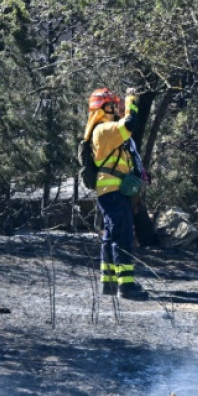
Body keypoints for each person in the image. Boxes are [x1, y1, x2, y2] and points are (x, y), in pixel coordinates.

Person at [84, 87, 148, 300]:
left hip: (110, 192)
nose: (116, 109)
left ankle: (109, 283)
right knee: (123, 235)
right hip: (113, 192)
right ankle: (126, 286)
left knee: (111, 235)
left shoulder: (104, 131)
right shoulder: (104, 130)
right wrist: (131, 100)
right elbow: (130, 124)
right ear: (102, 108)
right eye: (112, 105)